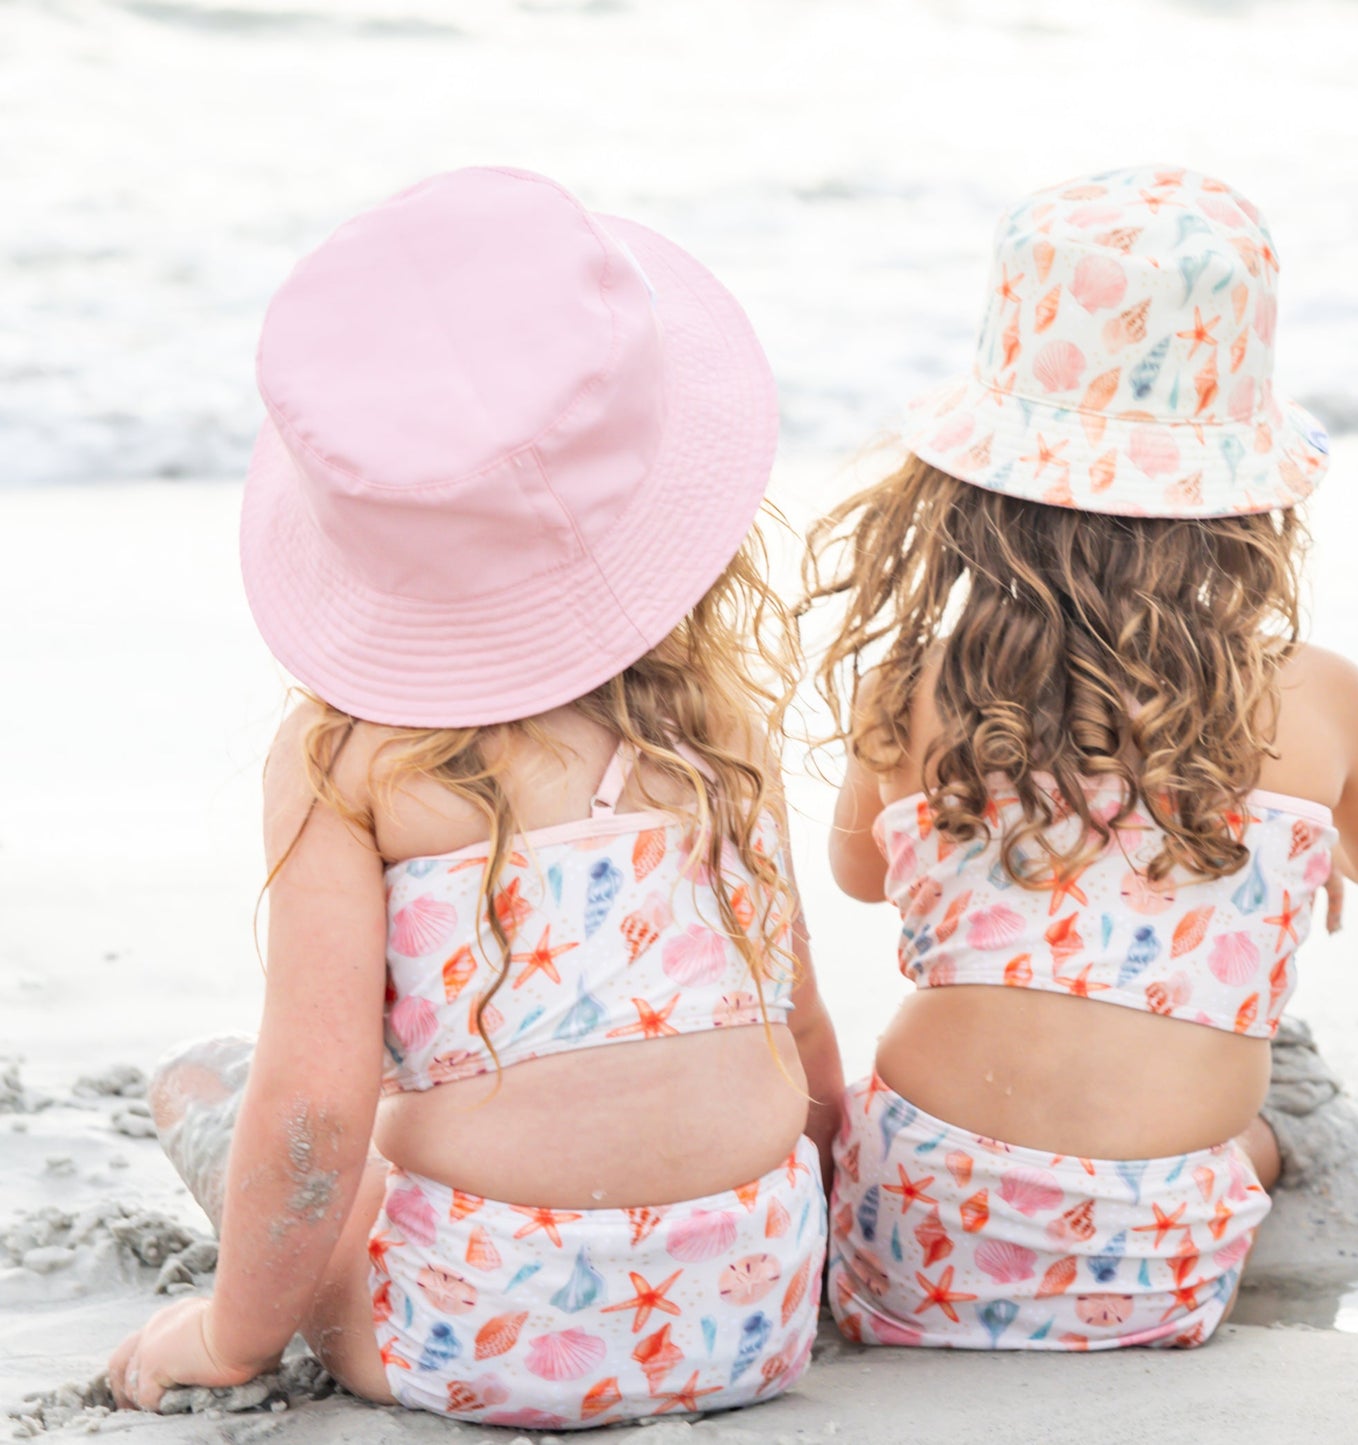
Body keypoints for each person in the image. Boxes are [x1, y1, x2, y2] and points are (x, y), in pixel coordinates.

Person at [107, 167, 843, 1427]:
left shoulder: (349, 762)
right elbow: (802, 1039)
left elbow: (312, 1116)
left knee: (210, 1084)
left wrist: (228, 1337)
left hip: (484, 1337)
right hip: (754, 1310)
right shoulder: (721, 723)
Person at [801, 165, 1358, 1350]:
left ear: (980, 488)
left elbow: (863, 879)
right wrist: (1280, 845)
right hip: (1159, 1270)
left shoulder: (912, 688)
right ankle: (1263, 1135)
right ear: (1242, 499)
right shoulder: (1317, 696)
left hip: (909, 1242)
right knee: (1246, 1121)